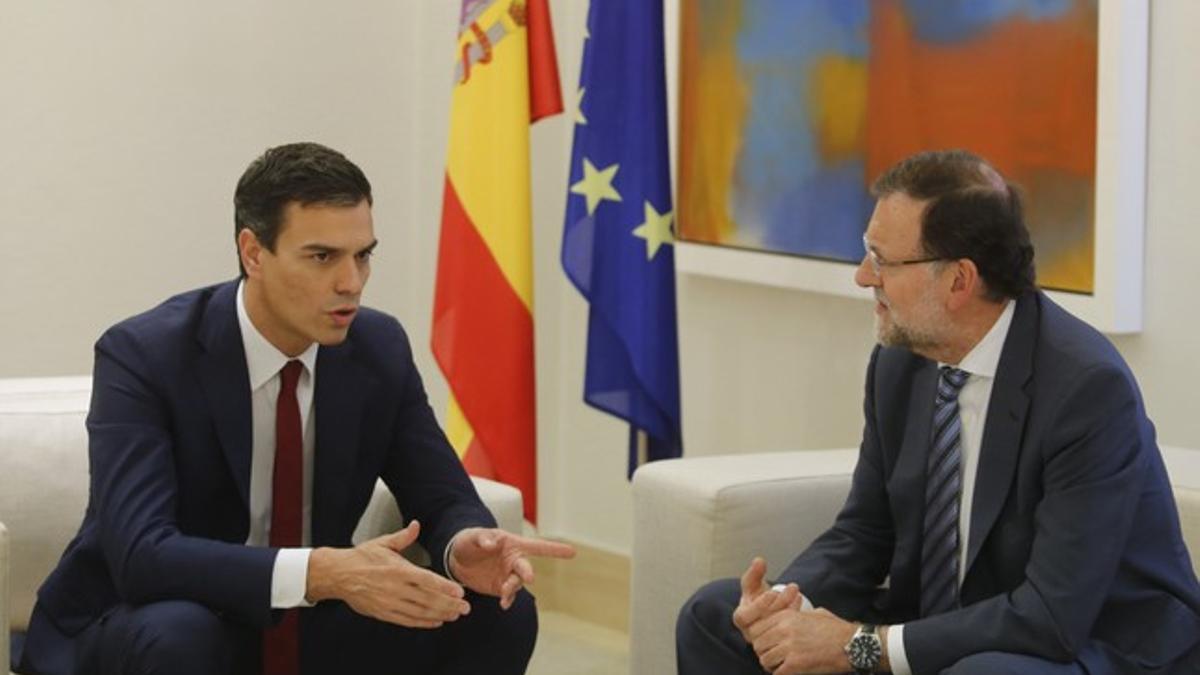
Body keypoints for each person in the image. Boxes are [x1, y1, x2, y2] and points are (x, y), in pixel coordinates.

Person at [19, 142, 575, 675]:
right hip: (151, 617)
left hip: (302, 621)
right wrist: (322, 572)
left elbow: (440, 493)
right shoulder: (146, 355)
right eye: (322, 257)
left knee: (497, 614)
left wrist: (461, 545)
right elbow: (142, 555)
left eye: (363, 256)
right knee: (182, 634)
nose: (351, 283)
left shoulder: (376, 348)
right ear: (253, 252)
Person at [676, 150, 1200, 674]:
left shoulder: (1086, 390)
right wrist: (788, 606)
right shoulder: (900, 362)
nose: (863, 277)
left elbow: (1050, 616)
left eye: (883, 261)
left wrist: (859, 646)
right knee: (714, 615)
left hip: (1088, 644)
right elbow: (865, 533)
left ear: (958, 281)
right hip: (945, 626)